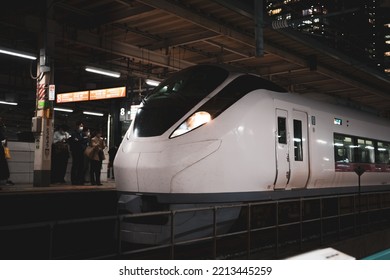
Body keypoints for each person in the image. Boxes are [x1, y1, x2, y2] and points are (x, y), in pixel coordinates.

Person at [69, 121, 88, 185]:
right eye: (80, 126)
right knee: (75, 166)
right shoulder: (73, 133)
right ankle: (74, 181)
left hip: (82, 152)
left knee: (81, 166)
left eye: (82, 126)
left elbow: (85, 141)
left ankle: (80, 180)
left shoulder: (83, 134)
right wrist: (82, 140)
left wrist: (80, 140)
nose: (81, 127)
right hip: (76, 151)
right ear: (77, 126)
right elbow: (75, 141)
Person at [0, 117, 14, 186]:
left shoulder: (2, 128)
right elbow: (3, 139)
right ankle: (4, 180)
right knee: (3, 165)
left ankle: (4, 180)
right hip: (1, 149)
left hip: (2, 149)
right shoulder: (2, 129)